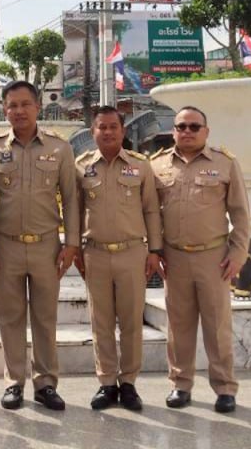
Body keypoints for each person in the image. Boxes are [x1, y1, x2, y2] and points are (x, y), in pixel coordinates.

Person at [0, 80, 79, 412]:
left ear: (38, 106)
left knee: (45, 317)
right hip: (5, 245)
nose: (19, 111)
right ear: (4, 109)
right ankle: (14, 382)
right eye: (12, 105)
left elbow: (71, 198)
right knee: (9, 316)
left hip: (46, 246)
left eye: (25, 104)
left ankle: (46, 383)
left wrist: (72, 243)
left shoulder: (59, 147)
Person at [150, 106, 250, 413]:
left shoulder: (225, 163)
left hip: (213, 257)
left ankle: (225, 388)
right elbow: (150, 214)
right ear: (174, 131)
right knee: (178, 326)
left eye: (194, 126)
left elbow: (241, 214)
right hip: (175, 258)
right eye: (181, 126)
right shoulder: (157, 165)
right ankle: (181, 385)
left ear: (206, 131)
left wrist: (238, 254)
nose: (187, 131)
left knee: (217, 326)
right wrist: (154, 250)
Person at [74, 106, 162, 411]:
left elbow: (151, 209)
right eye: (102, 127)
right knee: (101, 322)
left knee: (131, 322)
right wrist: (74, 248)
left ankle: (129, 383)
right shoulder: (81, 167)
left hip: (132, 253)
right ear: (93, 132)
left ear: (123, 131)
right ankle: (107, 383)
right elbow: (74, 211)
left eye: (114, 126)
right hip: (95, 252)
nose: (108, 132)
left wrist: (155, 250)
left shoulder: (140, 166)